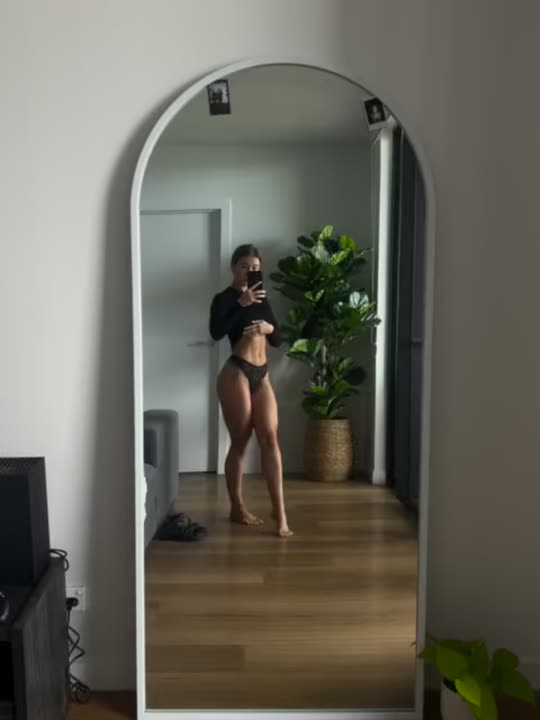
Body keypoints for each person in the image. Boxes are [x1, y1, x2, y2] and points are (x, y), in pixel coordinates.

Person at [209, 244, 293, 538]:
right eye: (244, 265)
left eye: (255, 267)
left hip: (262, 374)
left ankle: (280, 512)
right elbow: (216, 332)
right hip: (236, 372)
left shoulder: (262, 298)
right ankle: (237, 506)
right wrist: (240, 304)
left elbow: (278, 339)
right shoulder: (223, 299)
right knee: (241, 441)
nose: (249, 271)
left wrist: (270, 330)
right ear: (234, 267)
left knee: (270, 437)